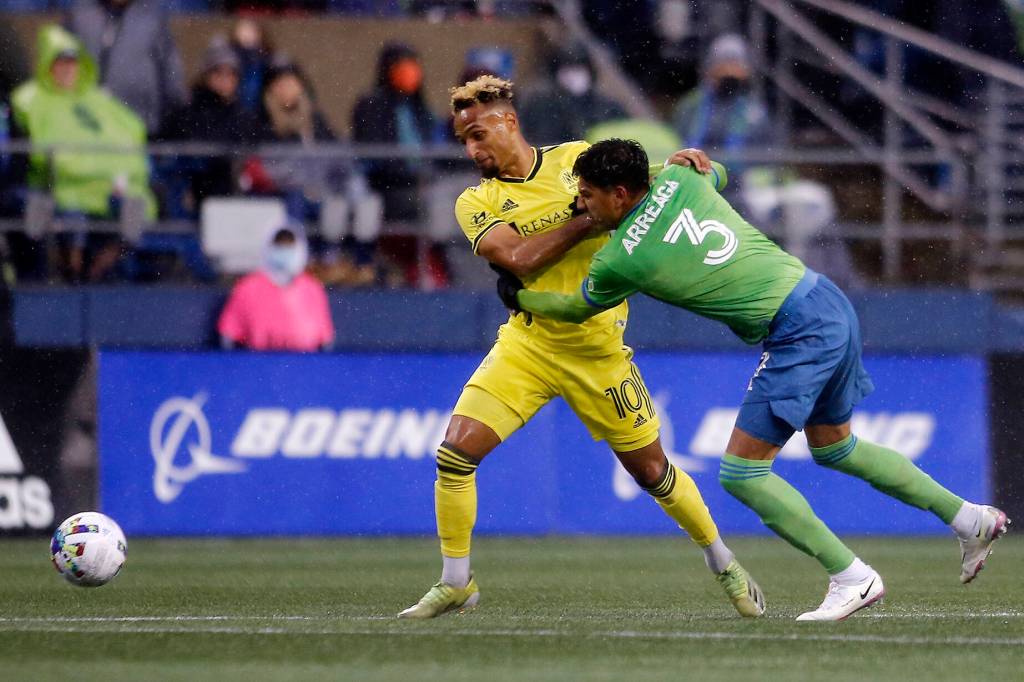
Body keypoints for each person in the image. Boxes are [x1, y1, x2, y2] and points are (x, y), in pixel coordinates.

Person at [503, 138, 1010, 621]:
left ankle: (851, 577)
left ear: (619, 194)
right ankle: (970, 519)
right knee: (836, 447)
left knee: (741, 475)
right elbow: (715, 171)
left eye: (588, 196)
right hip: (824, 298)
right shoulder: (681, 181)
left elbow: (571, 308)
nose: (582, 206)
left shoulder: (620, 258)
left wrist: (519, 296)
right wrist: (693, 164)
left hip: (797, 330)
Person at [398, 76, 765, 620]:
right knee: (455, 453)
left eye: (479, 134)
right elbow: (519, 259)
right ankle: (457, 581)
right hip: (528, 345)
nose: (473, 150)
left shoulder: (576, 160)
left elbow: (657, 186)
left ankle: (723, 560)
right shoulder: (475, 201)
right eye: (464, 142)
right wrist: (586, 217)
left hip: (598, 350)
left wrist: (695, 168)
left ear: (509, 123)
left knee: (653, 473)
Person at [10, 24, 155, 282]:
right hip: (59, 188)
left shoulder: (99, 101)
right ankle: (74, 276)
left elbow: (133, 135)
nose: (68, 69)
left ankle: (95, 273)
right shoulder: (31, 99)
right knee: (72, 218)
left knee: (135, 216)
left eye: (72, 62)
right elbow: (43, 153)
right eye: (61, 63)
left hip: (112, 188)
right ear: (48, 65)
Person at [251, 62, 380, 286]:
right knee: (303, 201)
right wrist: (309, 182)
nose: (287, 90)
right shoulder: (265, 125)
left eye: (291, 83)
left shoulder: (315, 121)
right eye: (280, 85)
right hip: (287, 192)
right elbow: (274, 167)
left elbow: (338, 155)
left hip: (323, 188)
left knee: (357, 194)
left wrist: (342, 175)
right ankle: (307, 261)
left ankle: (356, 261)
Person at [65, 0, 187, 135]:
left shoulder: (152, 16)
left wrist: (174, 109)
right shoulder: (80, 13)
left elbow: (169, 70)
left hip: (140, 122)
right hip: (84, 122)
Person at [217, 224, 334, 352]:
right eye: (279, 246)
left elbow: (326, 340)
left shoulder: (313, 288)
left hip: (304, 364)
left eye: (289, 247)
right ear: (268, 248)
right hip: (259, 363)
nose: (284, 252)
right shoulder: (247, 287)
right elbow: (228, 336)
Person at [517, 44, 626, 148]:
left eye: (578, 69)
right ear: (556, 73)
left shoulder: (608, 107)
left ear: (590, 72)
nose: (572, 76)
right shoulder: (539, 105)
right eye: (566, 69)